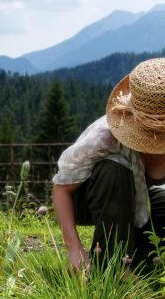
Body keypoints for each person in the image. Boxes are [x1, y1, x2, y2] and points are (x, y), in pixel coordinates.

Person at [52, 58, 165, 272]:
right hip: (97, 199)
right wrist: (73, 248)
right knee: (115, 170)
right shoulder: (104, 136)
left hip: (143, 211)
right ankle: (111, 269)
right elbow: (61, 189)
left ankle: (145, 262)